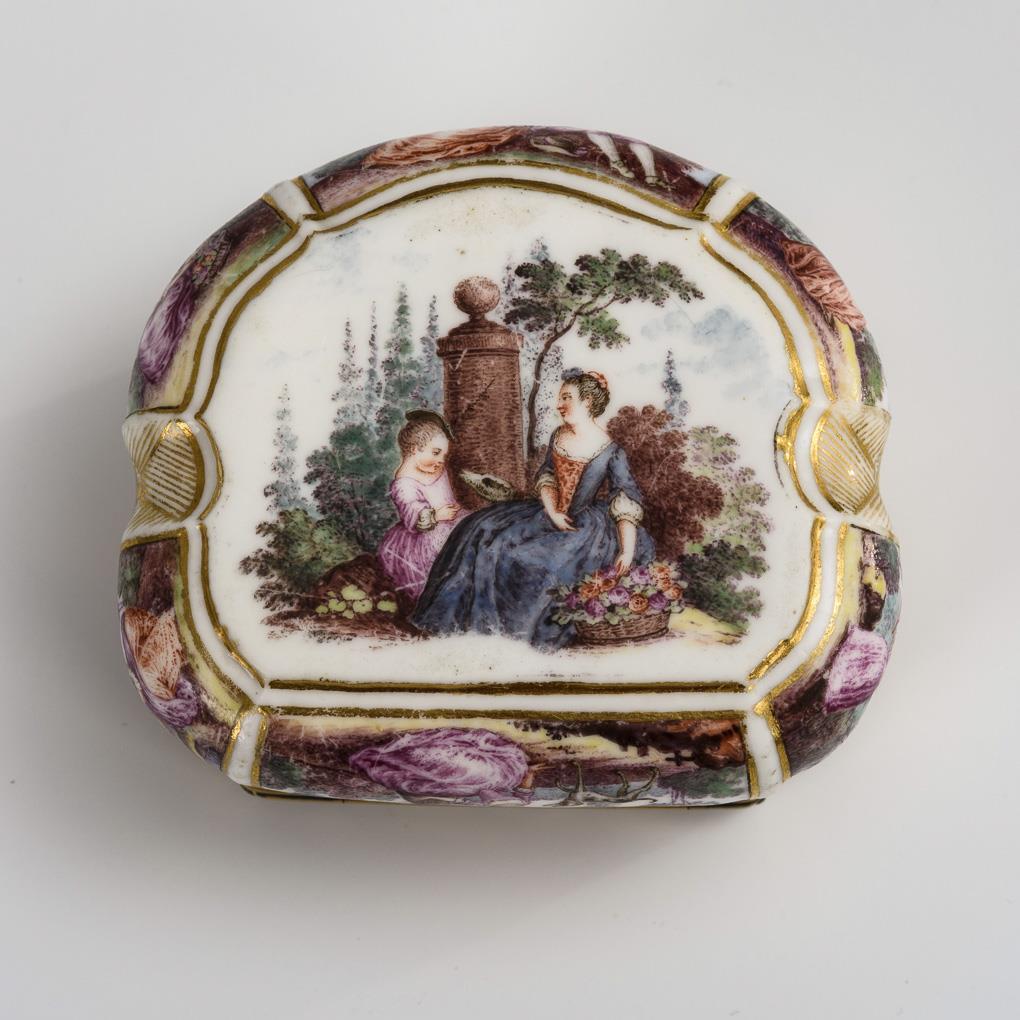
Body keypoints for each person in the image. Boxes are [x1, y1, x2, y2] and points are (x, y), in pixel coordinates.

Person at [412, 369, 655, 649]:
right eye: (560, 398)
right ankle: (461, 624)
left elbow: (624, 499)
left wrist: (626, 550)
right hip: (547, 513)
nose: (559, 404)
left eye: (567, 398)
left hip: (584, 530)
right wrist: (552, 511)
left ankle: (512, 637)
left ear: (588, 402)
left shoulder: (611, 451)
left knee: (532, 562)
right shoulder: (559, 435)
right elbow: (547, 476)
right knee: (479, 529)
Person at [377, 411, 468, 601]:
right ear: (415, 449)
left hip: (454, 520)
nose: (441, 460)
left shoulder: (438, 468)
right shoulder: (404, 484)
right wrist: (435, 516)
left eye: (443, 455)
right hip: (424, 537)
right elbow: (412, 511)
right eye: (436, 452)